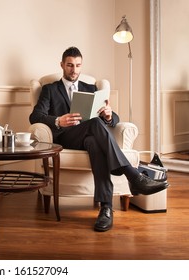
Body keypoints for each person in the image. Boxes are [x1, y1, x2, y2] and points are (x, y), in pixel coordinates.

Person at [29, 46, 168, 232]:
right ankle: (133, 176)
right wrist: (58, 120)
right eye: (70, 65)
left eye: (78, 65)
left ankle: (106, 208)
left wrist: (110, 116)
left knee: (95, 142)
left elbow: (112, 121)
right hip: (66, 137)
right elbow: (35, 116)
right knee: (95, 124)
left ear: (81, 65)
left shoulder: (91, 88)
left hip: (90, 137)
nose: (74, 70)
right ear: (62, 65)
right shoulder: (50, 89)